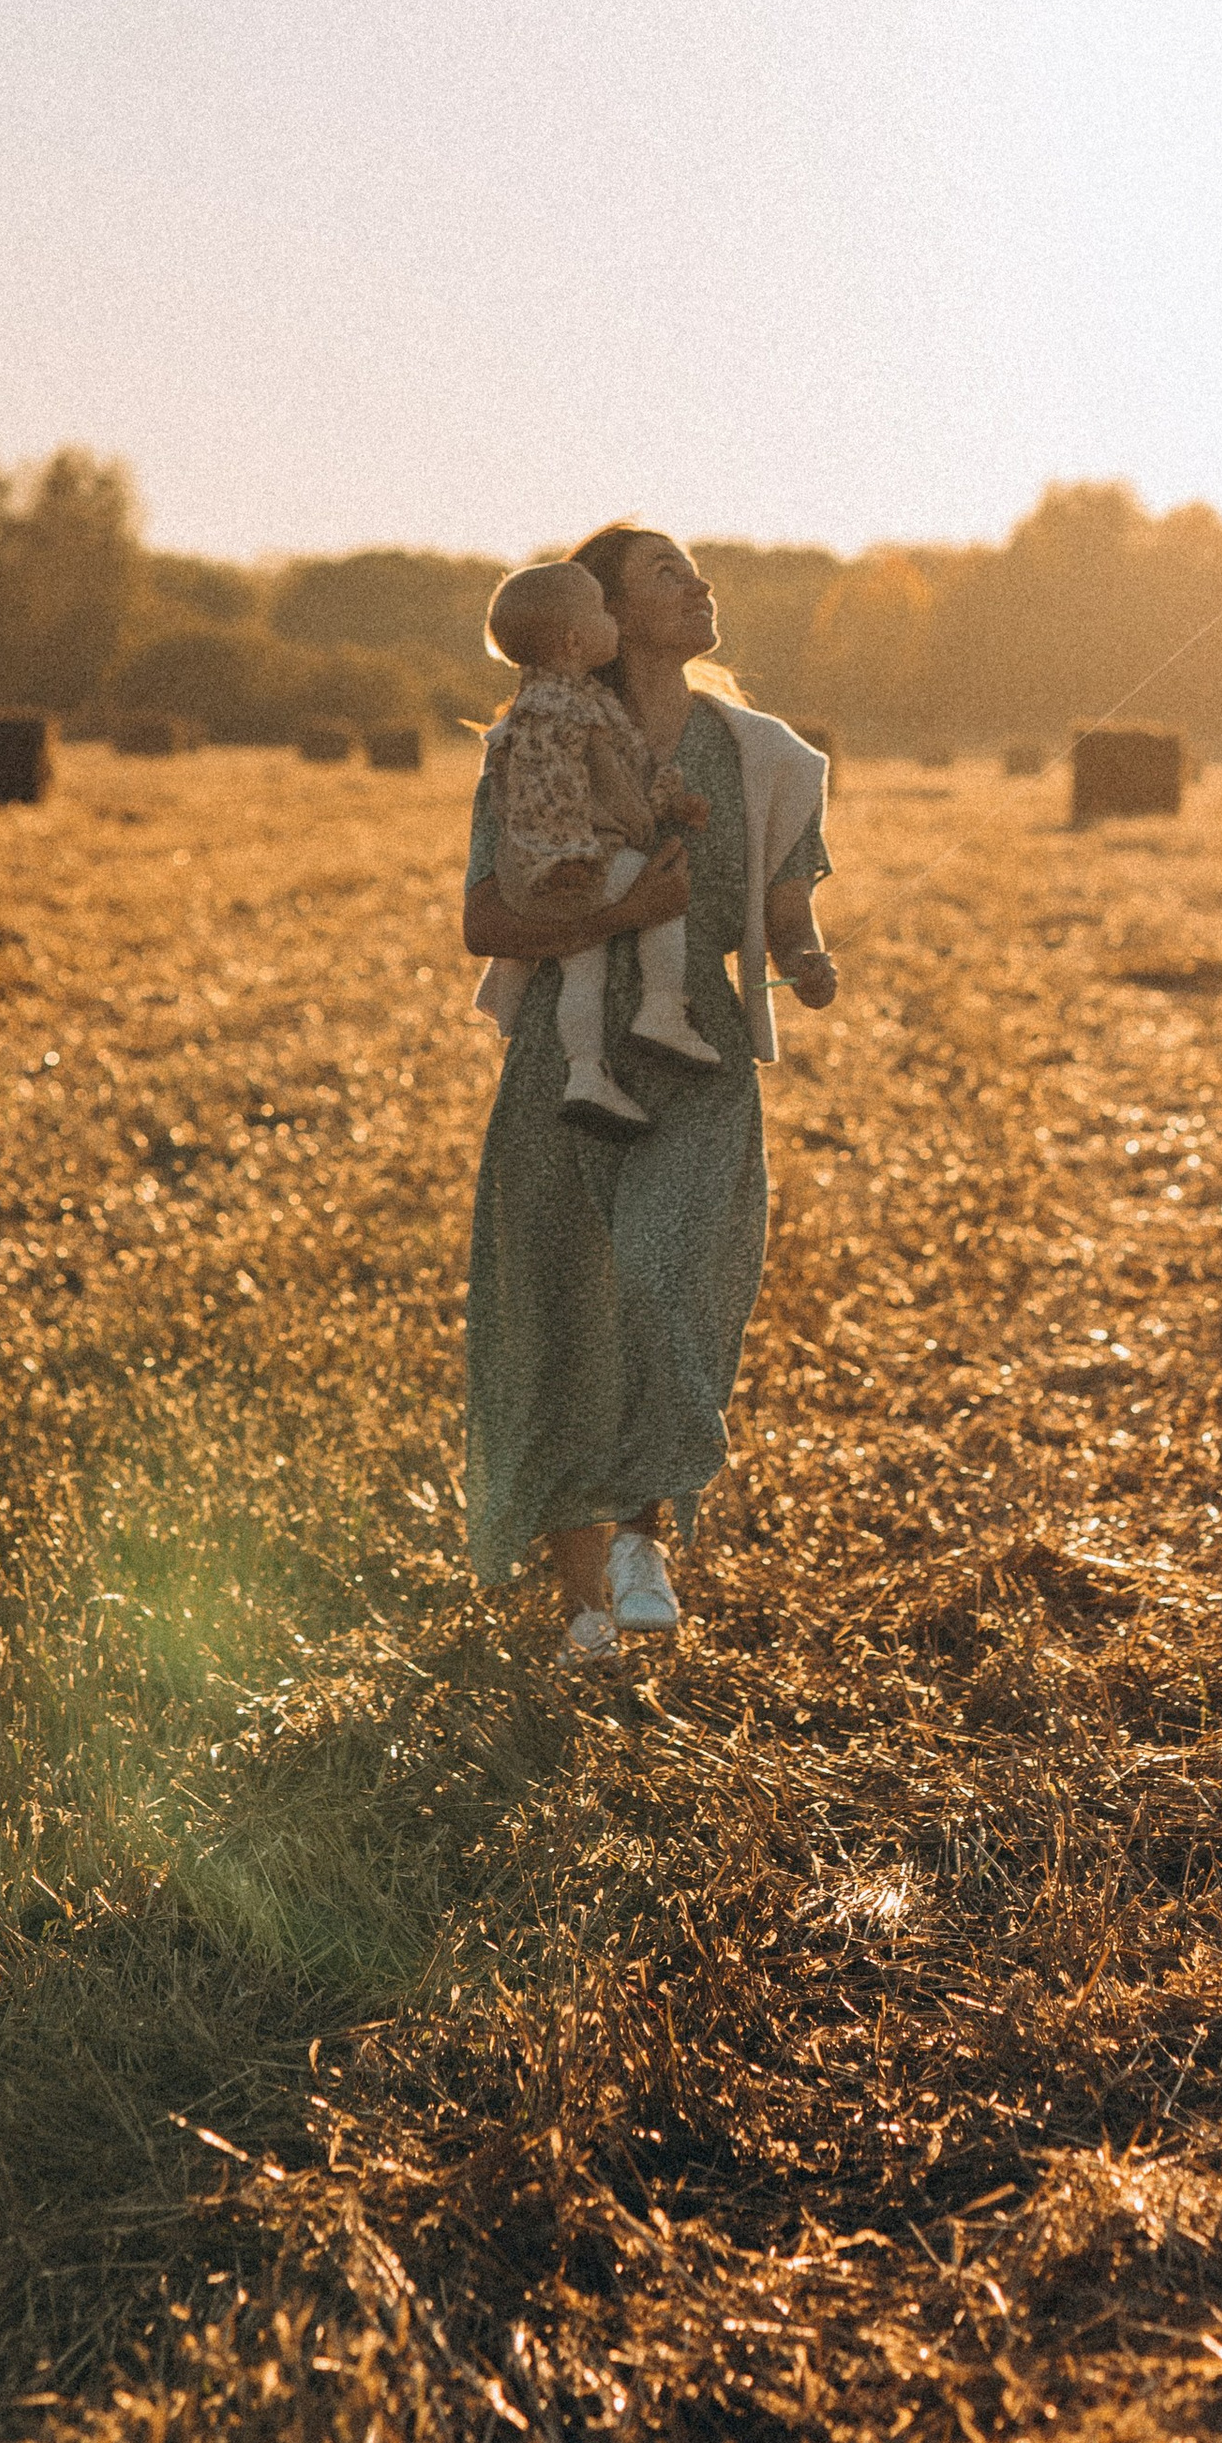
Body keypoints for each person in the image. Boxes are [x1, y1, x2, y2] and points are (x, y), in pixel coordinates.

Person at [459, 524, 837, 1664]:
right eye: (666, 572)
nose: (699, 583)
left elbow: (782, 909)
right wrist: (613, 919)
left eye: (695, 568)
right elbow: (484, 920)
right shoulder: (536, 743)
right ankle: (587, 1606)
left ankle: (639, 1532)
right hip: (566, 1065)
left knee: (664, 1279)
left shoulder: (763, 755)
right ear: (607, 617)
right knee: (563, 1313)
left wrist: (808, 957)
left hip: (697, 1061)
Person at [472, 557, 720, 1136]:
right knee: (664, 903)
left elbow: (574, 785)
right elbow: (590, 785)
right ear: (575, 640)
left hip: (542, 873)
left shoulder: (530, 713)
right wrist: (635, 824)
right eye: (604, 611)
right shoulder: (570, 708)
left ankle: (585, 1073)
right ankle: (661, 1010)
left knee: (583, 972)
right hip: (583, 861)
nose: (613, 622)